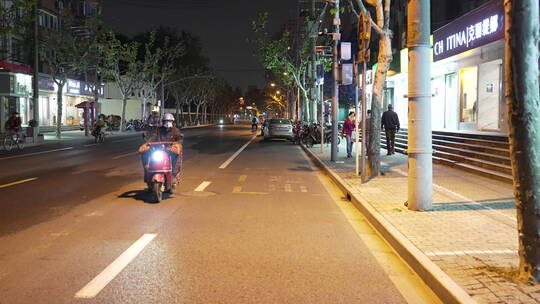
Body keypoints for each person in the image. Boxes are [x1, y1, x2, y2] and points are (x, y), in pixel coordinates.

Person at [138, 113, 184, 183]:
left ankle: (174, 175)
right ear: (163, 122)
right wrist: (147, 144)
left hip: (170, 150)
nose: (167, 123)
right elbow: (153, 137)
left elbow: (179, 139)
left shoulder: (175, 131)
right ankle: (147, 172)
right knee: (144, 153)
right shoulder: (158, 130)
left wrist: (177, 144)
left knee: (177, 154)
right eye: (166, 121)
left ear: (172, 122)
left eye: (169, 121)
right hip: (158, 150)